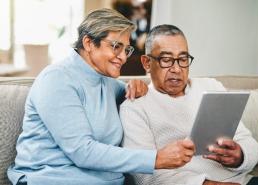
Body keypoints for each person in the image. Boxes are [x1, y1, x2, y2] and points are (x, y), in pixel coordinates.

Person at [7, 10, 196, 185]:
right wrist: (156, 158)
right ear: (89, 43)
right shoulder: (57, 79)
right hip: (52, 178)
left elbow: (136, 94)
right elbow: (82, 152)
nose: (123, 57)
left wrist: (137, 86)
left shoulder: (107, 83)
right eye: (116, 47)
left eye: (127, 50)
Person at [120, 24, 258, 185]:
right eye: (166, 60)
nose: (177, 69)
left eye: (183, 59)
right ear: (146, 63)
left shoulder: (212, 87)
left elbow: (249, 142)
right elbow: (143, 175)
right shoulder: (134, 107)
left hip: (243, 181)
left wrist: (240, 156)